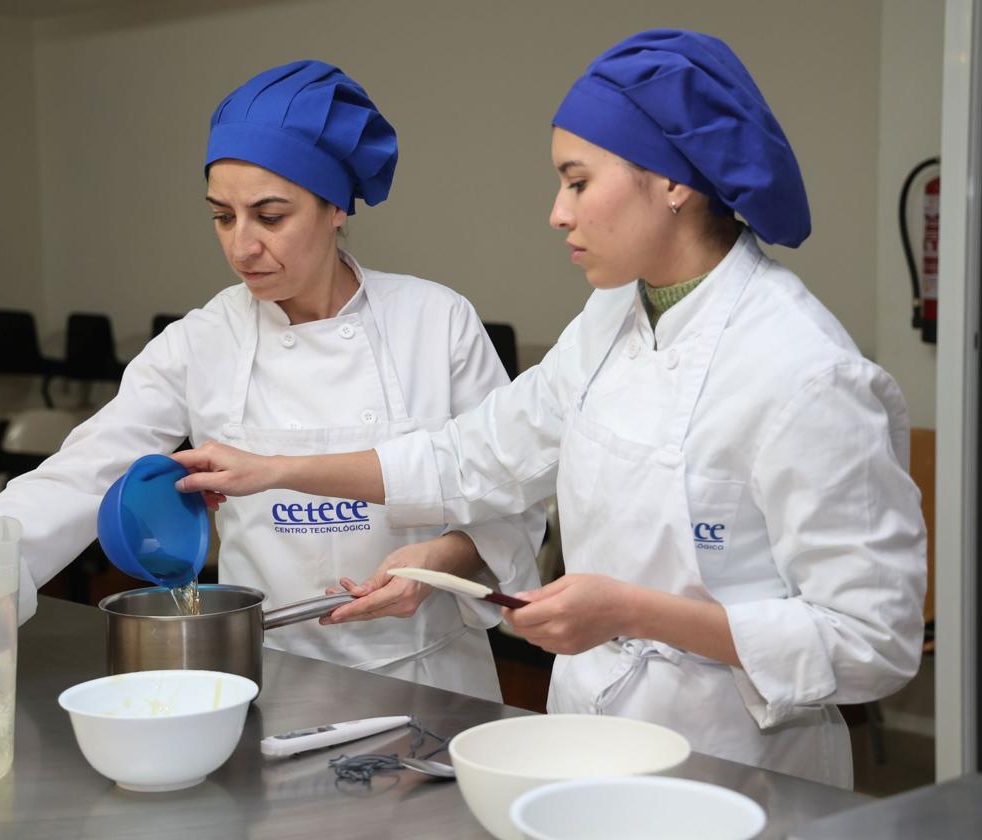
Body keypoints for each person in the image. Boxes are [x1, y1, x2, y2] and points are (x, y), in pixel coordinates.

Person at [169, 31, 926, 787]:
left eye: (577, 181)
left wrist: (633, 612)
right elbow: (475, 455)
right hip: (588, 732)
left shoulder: (804, 372)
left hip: (739, 763)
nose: (557, 214)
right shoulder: (611, 321)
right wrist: (275, 470)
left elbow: (873, 641)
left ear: (672, 182)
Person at [0, 60, 543, 702]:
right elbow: (79, 476)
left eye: (270, 215)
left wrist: (440, 560)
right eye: (221, 217)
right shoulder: (203, 342)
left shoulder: (436, 322)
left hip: (429, 676)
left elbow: (509, 495)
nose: (242, 246)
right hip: (271, 670)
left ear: (336, 206)